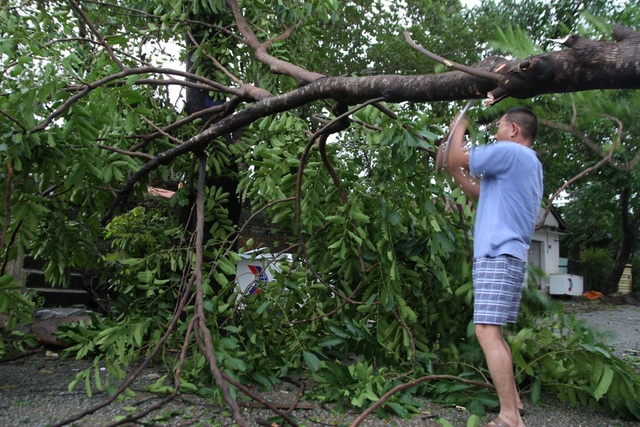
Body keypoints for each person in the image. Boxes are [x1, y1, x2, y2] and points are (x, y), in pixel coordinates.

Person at [443, 107, 543, 427]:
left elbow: (456, 156)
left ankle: (510, 417)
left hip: (498, 254)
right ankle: (513, 402)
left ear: (513, 130)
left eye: (499, 126)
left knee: (486, 332)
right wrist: (455, 170)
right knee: (494, 333)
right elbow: (479, 191)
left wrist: (458, 126)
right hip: (507, 255)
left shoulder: (510, 153)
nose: (496, 132)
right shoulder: (526, 164)